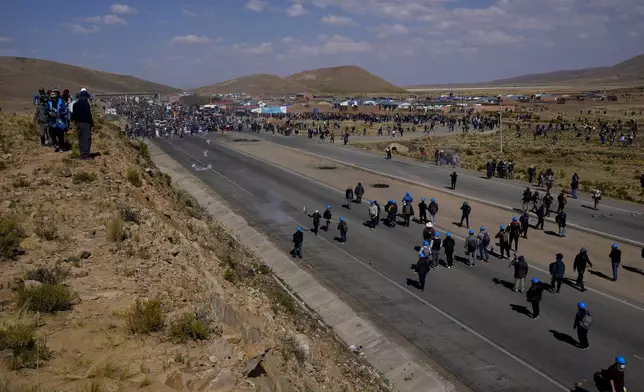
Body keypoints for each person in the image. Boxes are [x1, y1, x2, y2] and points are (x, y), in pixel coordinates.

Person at [70, 88, 94, 160]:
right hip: (86, 124)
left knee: (81, 138)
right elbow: (89, 115)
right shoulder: (86, 104)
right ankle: (86, 155)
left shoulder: (75, 104)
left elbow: (73, 115)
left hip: (78, 123)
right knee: (87, 138)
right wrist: (92, 124)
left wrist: (75, 122)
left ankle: (82, 154)